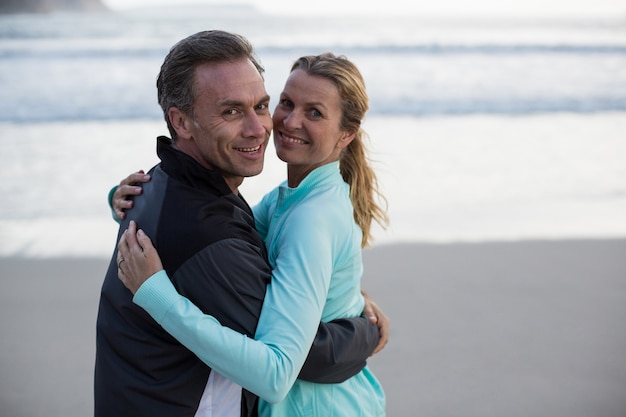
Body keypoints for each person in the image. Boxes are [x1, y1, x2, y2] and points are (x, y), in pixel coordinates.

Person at [95, 31, 384, 417]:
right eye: (285, 104)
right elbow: (286, 357)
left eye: (261, 105)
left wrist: (356, 314)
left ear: (346, 133)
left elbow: (283, 352)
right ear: (181, 122)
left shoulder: (302, 214)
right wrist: (362, 330)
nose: (265, 126)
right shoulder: (253, 213)